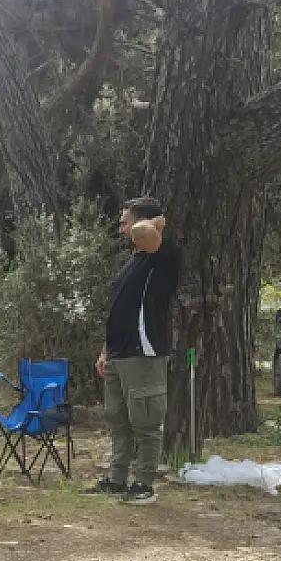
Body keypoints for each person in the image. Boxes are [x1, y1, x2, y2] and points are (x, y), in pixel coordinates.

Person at [90, 197, 181, 505]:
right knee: (117, 419)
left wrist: (152, 221)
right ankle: (116, 479)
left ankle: (143, 484)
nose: (121, 229)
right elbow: (120, 310)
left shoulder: (163, 254)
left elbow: (144, 231)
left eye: (124, 222)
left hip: (144, 352)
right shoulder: (133, 261)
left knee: (145, 422)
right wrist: (106, 351)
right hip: (118, 353)